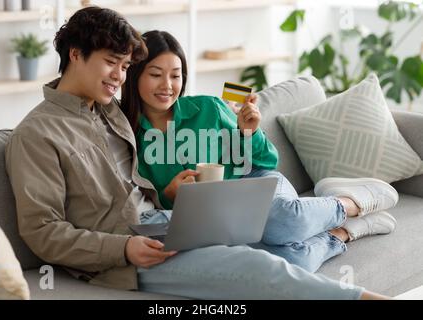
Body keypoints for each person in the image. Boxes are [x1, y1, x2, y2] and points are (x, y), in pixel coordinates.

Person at [5, 6, 387, 300]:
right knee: (258, 267)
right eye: (111, 62)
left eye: (124, 66)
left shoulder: (109, 112)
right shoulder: (36, 134)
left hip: (161, 222)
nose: (120, 77)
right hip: (126, 252)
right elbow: (42, 232)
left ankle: (345, 218)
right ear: (75, 54)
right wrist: (123, 248)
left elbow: (139, 183)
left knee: (284, 244)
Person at [122, 30, 399, 274]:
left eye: (176, 75)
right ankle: (342, 234)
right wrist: (167, 196)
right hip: (217, 220)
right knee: (288, 262)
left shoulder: (208, 108)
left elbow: (268, 161)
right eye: (156, 75)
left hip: (257, 183)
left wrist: (248, 132)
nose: (167, 86)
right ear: (134, 75)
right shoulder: (127, 135)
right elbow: (148, 209)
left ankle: (350, 203)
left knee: (283, 219)